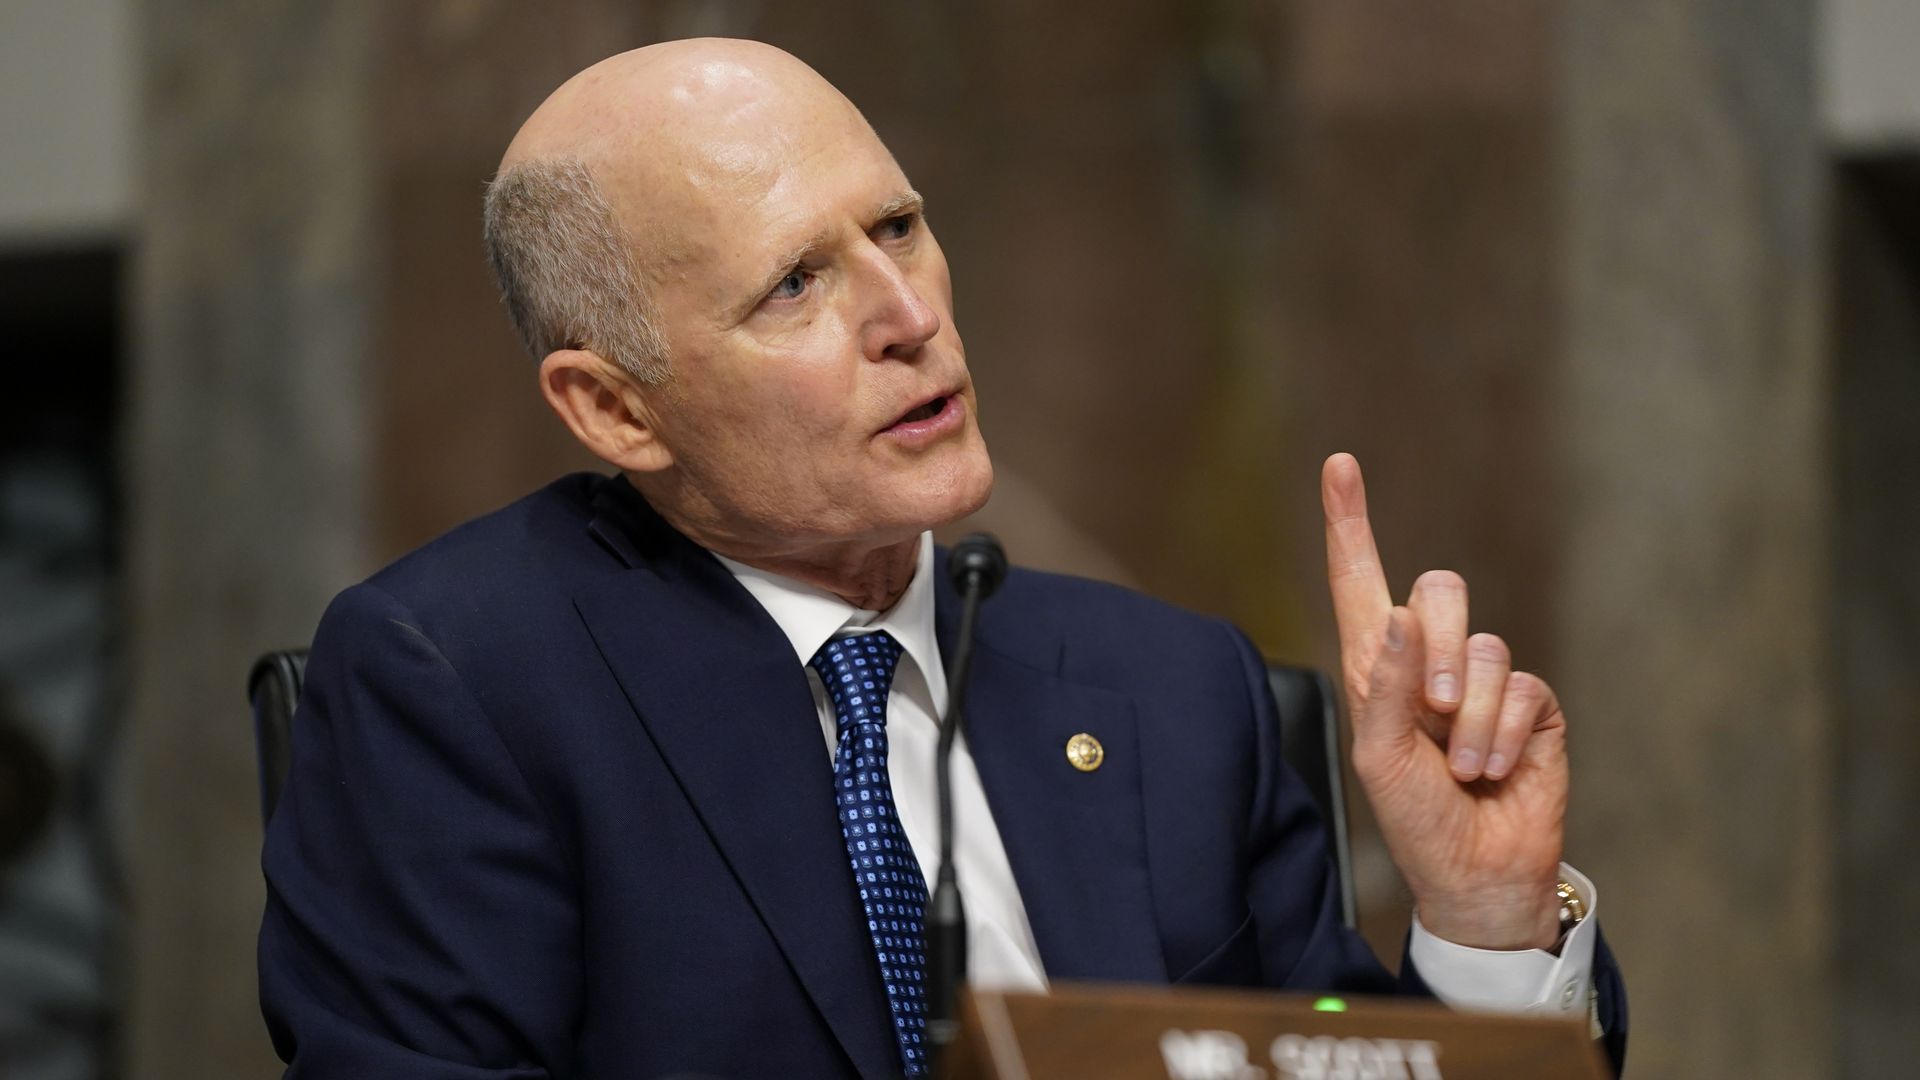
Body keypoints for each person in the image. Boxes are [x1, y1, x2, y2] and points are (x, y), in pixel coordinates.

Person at [259, 38, 1625, 1079]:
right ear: (615, 405)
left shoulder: (1171, 689)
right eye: (795, 284)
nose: (910, 315)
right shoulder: (464, 685)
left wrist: (1485, 921)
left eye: (899, 228)